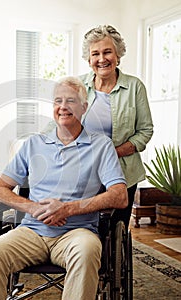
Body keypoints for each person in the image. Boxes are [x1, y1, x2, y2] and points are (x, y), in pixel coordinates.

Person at [0, 77, 128, 300]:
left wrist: (67, 209)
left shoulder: (101, 145)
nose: (63, 107)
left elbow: (119, 196)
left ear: (84, 108)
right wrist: (33, 208)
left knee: (87, 252)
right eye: (58, 101)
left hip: (77, 233)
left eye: (71, 101)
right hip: (32, 231)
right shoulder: (33, 144)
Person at [80, 25, 153, 230]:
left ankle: (111, 260)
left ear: (118, 55)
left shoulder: (134, 86)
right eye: (96, 53)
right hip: (84, 171)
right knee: (84, 224)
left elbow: (145, 131)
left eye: (107, 52)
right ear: (89, 60)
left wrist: (112, 153)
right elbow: (59, 122)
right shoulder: (78, 86)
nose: (102, 59)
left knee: (114, 228)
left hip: (123, 172)